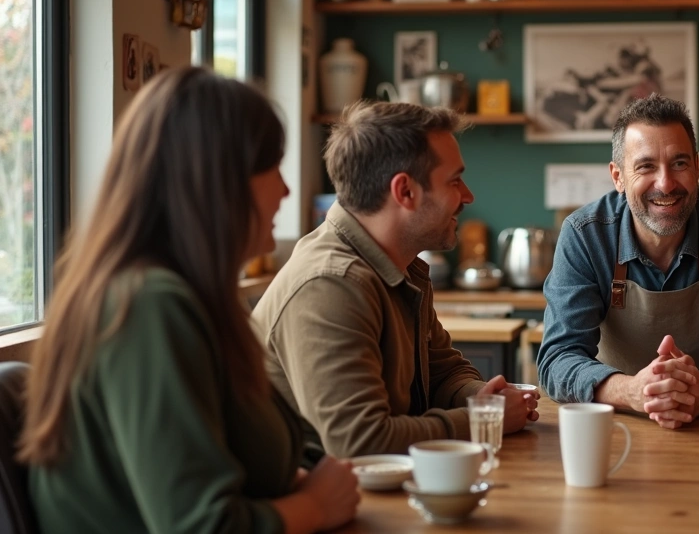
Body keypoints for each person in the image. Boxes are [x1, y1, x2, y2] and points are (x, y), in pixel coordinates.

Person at [21, 68, 360, 533]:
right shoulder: (147, 307)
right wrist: (315, 507)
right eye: (272, 167)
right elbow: (200, 526)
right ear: (219, 179)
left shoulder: (190, 298)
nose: (285, 190)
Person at [251, 101, 538, 458]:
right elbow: (360, 442)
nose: (468, 196)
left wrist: (480, 396)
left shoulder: (400, 265)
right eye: (455, 181)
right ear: (405, 192)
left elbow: (441, 372)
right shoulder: (330, 284)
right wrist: (484, 420)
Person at [538, 93, 699, 430]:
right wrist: (632, 391)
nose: (665, 183)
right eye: (646, 166)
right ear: (618, 177)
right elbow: (558, 359)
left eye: (679, 163)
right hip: (616, 425)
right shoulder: (585, 235)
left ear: (696, 167)